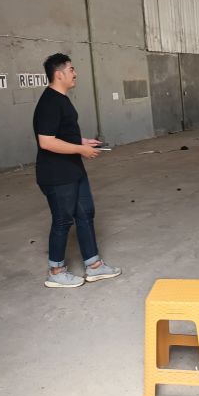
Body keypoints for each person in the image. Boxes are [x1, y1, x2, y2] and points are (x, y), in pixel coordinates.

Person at [33, 53, 121, 288]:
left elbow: (61, 133)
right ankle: (56, 271)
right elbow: (46, 142)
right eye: (71, 69)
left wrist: (82, 142)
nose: (75, 73)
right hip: (56, 174)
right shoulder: (49, 103)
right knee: (62, 220)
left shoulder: (61, 99)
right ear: (59, 74)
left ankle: (94, 266)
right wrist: (81, 150)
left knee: (85, 213)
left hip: (73, 169)